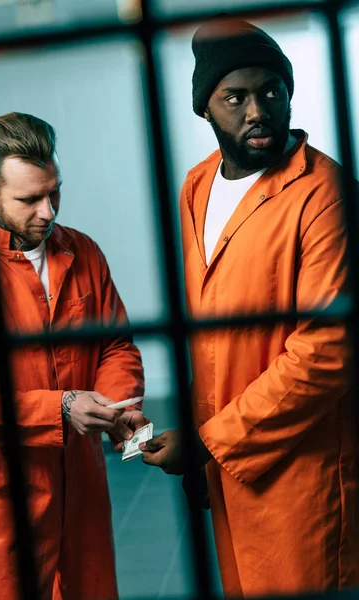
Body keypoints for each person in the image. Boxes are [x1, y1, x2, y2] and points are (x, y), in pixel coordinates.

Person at [140, 16, 359, 596]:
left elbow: (328, 352)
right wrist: (201, 430)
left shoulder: (324, 194)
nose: (256, 110)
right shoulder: (196, 186)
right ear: (205, 108)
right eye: (234, 97)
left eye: (271, 92)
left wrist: (213, 440)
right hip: (224, 463)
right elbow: (201, 327)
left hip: (296, 472)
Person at [0, 112, 146, 600]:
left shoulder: (83, 252)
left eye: (54, 191)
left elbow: (116, 345)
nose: (48, 211)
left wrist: (116, 405)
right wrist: (61, 409)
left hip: (82, 478)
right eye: (29, 199)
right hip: (3, 492)